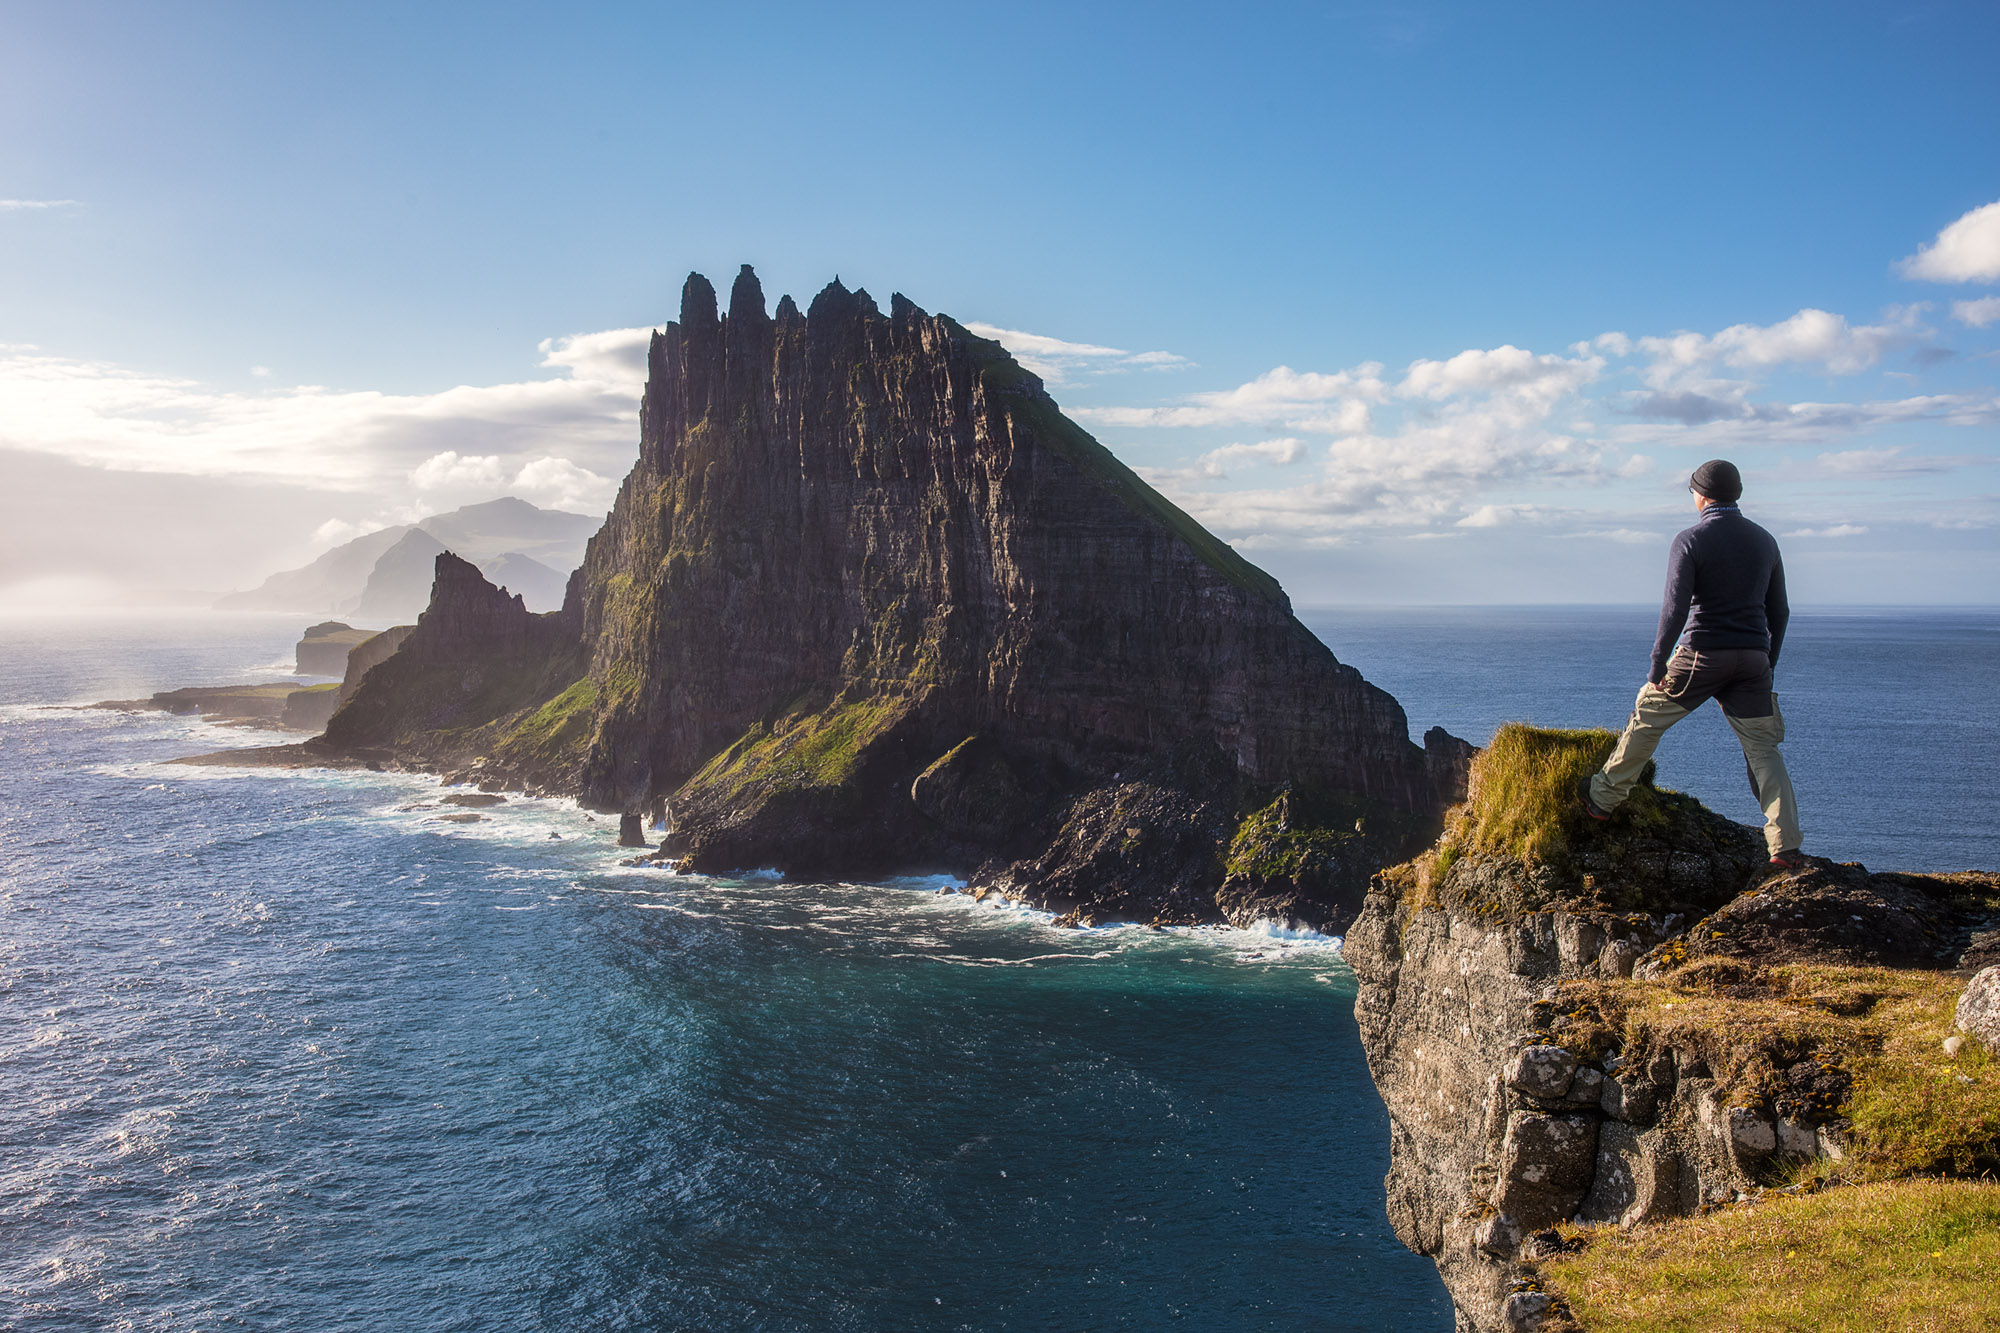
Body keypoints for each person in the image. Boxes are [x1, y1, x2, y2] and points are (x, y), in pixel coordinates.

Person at [1582, 459, 1805, 868]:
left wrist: (1657, 665)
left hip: (1702, 653)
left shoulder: (1690, 539)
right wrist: (1767, 662)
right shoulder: (1765, 541)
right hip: (1754, 658)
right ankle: (1785, 845)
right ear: (1736, 493)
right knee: (1763, 750)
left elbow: (1675, 609)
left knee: (1648, 716)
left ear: (1700, 494)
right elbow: (1781, 611)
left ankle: (1601, 798)